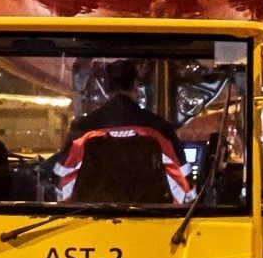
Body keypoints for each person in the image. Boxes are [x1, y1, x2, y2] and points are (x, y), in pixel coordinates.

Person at [51, 58, 190, 203]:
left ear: (107, 89)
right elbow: (182, 186)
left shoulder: (84, 128)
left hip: (91, 222)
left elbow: (63, 184)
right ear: (135, 85)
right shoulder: (159, 128)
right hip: (152, 222)